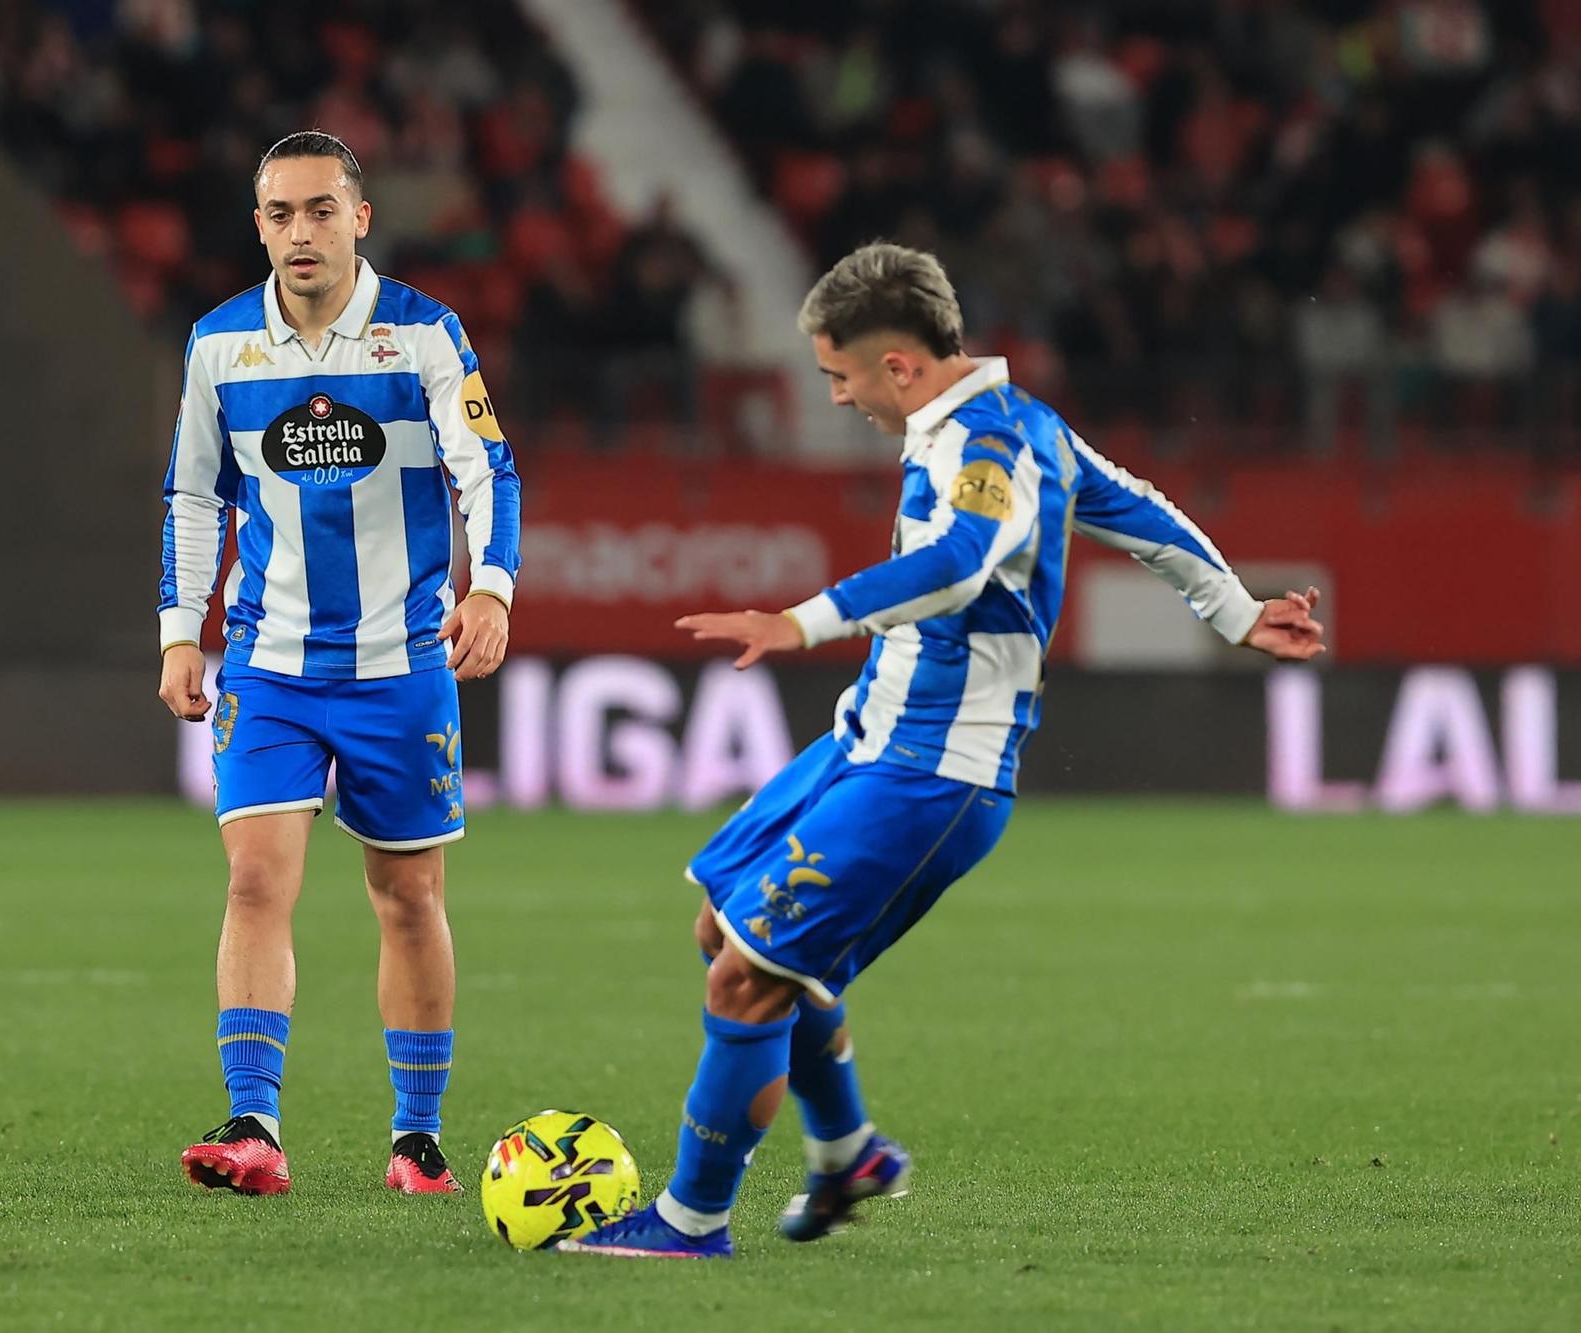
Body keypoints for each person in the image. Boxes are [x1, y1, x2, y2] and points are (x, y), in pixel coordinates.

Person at [561, 243, 1324, 1259]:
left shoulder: (981, 447)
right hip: (866, 739)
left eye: (837, 376)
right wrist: (1233, 609)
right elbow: (1131, 501)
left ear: (900, 368)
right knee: (723, 928)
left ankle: (691, 1221)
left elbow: (959, 564)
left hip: (932, 773)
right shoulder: (1026, 429)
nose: (834, 398)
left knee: (745, 979)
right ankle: (844, 1149)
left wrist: (801, 620)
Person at [156, 131, 520, 1198]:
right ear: (258, 226)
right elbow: (190, 495)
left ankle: (415, 1138)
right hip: (267, 665)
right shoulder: (220, 345)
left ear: (360, 218)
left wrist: (490, 584)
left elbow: (484, 466)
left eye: (320, 210)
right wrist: (183, 626)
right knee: (255, 878)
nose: (300, 232)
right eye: (279, 214)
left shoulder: (423, 336)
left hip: (399, 665)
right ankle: (253, 1123)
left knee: (406, 897)